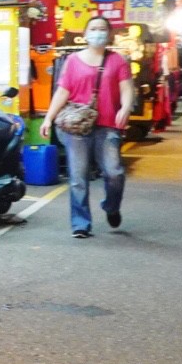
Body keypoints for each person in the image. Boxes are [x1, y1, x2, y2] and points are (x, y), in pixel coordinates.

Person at [40, 16, 136, 239]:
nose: (98, 32)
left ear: (109, 34)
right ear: (84, 35)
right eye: (93, 29)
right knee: (78, 177)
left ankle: (111, 206)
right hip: (77, 126)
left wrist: (126, 107)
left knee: (114, 173)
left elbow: (127, 88)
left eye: (102, 29)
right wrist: (48, 118)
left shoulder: (118, 61)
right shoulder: (72, 60)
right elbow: (63, 91)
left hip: (108, 125)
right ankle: (80, 223)